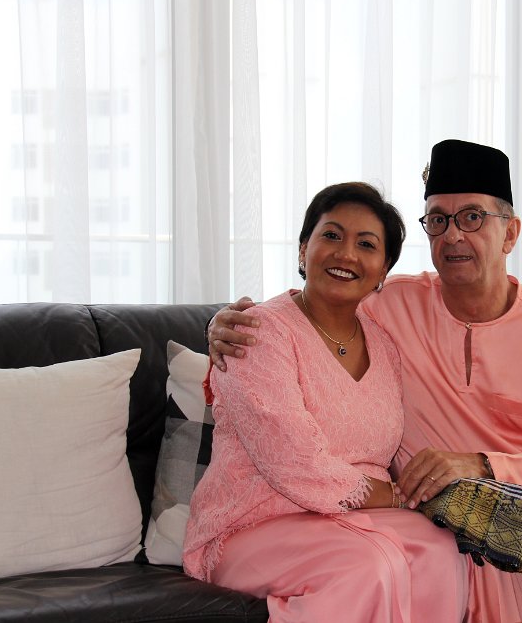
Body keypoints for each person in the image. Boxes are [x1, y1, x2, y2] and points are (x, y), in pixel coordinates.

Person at [208, 140, 522, 622]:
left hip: (517, 517)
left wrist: (481, 467)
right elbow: (314, 305)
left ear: (510, 233)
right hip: (374, 517)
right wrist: (220, 324)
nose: (453, 235)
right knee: (417, 553)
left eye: (472, 217)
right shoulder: (391, 306)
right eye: (438, 220)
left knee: (447, 549)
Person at [183, 182, 468, 623]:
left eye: (366, 244)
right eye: (332, 235)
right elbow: (292, 462)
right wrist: (392, 495)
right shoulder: (256, 332)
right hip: (253, 524)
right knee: (367, 566)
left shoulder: (384, 346)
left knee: (442, 549)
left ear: (383, 272)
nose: (346, 254)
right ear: (304, 250)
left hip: (350, 523)